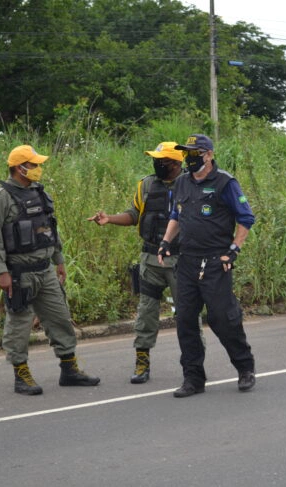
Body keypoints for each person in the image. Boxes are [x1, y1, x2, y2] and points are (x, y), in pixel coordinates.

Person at [0, 145, 100, 395]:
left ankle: (69, 369)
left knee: (60, 317)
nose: (38, 169)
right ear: (18, 167)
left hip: (45, 269)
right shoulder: (0, 197)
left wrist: (59, 260)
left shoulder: (39, 193)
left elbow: (50, 230)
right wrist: (0, 272)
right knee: (19, 323)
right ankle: (21, 374)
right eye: (33, 164)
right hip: (18, 273)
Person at [158, 134, 256, 398]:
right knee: (185, 321)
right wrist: (166, 242)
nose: (190, 158)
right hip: (187, 261)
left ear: (209, 155)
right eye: (186, 153)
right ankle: (193, 379)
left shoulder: (225, 182)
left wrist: (233, 251)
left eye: (195, 153)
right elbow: (177, 214)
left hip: (215, 261)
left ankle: (245, 367)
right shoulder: (180, 183)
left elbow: (246, 218)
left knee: (222, 319)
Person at [88, 142, 184, 384]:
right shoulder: (146, 184)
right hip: (150, 261)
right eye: (155, 160)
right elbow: (134, 215)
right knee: (145, 313)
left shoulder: (191, 185)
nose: (157, 164)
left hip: (181, 262)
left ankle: (192, 363)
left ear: (176, 163)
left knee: (187, 314)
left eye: (162, 160)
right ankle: (142, 363)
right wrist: (109, 218)